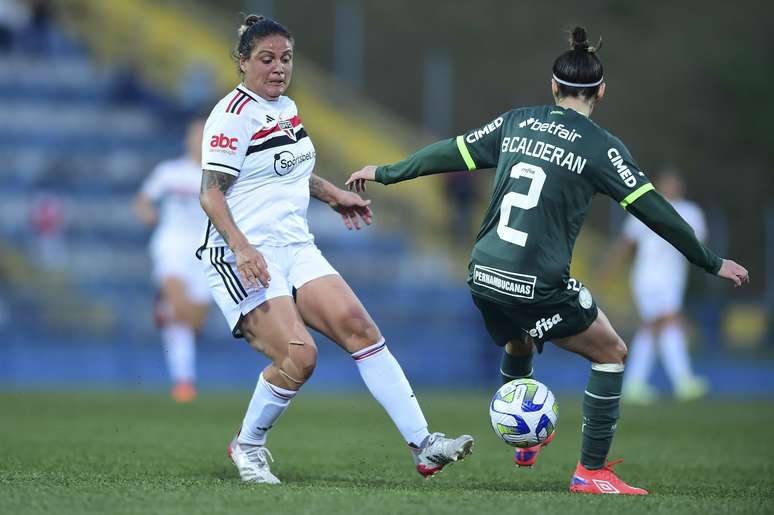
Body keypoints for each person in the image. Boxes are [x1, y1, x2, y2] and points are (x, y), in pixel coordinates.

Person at [346, 27, 749, 495]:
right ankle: (591, 471)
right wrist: (707, 259)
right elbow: (654, 209)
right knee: (613, 353)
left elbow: (450, 152)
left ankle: (523, 441)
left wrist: (386, 172)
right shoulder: (602, 148)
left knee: (519, 341)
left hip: (482, 272)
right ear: (601, 91)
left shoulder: (516, 122)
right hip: (534, 282)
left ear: (553, 87)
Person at [197, 14, 473, 485]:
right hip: (241, 255)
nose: (278, 68)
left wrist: (332, 194)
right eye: (266, 59)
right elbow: (210, 192)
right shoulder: (232, 115)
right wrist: (242, 248)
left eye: (285, 59)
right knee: (300, 357)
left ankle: (424, 445)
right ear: (242, 62)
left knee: (360, 328)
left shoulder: (286, 108)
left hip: (294, 246)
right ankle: (247, 446)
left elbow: (289, 171)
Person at [611, 167, 710, 404]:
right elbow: (626, 242)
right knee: (667, 320)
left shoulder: (691, 211)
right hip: (646, 278)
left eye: (674, 182)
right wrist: (610, 267)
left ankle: (635, 383)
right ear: (657, 185)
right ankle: (683, 382)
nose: (671, 186)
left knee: (655, 327)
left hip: (673, 279)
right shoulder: (645, 205)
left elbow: (700, 243)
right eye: (666, 182)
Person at [135, 117, 211, 403]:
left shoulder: (221, 176)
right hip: (172, 244)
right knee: (179, 309)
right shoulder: (169, 172)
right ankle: (184, 383)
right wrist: (148, 214)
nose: (198, 140)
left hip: (205, 251)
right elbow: (142, 201)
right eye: (195, 135)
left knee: (194, 321)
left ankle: (164, 311)